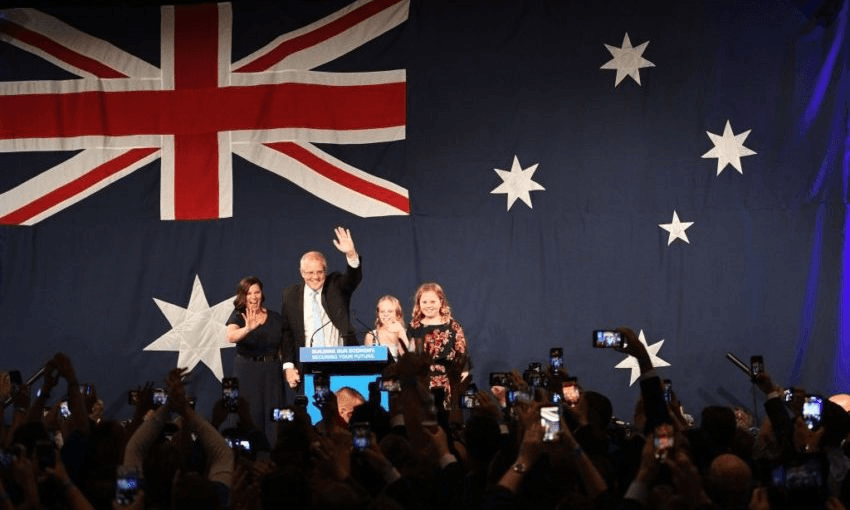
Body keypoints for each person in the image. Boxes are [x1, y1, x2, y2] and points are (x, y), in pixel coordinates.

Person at [280, 227, 362, 390]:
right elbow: (287, 333)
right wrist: (288, 366)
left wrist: (351, 254)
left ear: (326, 270)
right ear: (301, 273)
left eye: (319, 272)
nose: (315, 277)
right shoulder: (290, 295)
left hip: (341, 361)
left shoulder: (336, 285)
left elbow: (352, 279)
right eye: (310, 273)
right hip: (309, 365)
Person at [226, 276, 284, 446]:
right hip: (247, 371)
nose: (253, 296)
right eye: (249, 293)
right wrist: (248, 328)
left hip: (271, 371)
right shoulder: (239, 315)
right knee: (249, 413)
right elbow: (231, 336)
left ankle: (272, 453)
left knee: (273, 414)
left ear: (262, 293)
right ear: (243, 296)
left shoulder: (275, 318)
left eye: (256, 292)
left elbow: (283, 346)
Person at [406, 283, 469, 408]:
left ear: (441, 302)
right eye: (424, 302)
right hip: (422, 384)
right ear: (419, 304)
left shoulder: (453, 326)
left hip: (447, 384)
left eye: (432, 301)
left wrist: (463, 373)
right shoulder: (414, 327)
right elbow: (413, 355)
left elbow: (461, 352)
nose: (428, 305)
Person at [364, 295, 410, 361]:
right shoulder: (371, 336)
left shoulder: (406, 333)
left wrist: (400, 332)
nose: (386, 314)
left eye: (390, 311)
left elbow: (408, 359)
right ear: (378, 315)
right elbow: (368, 362)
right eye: (382, 311)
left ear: (397, 314)